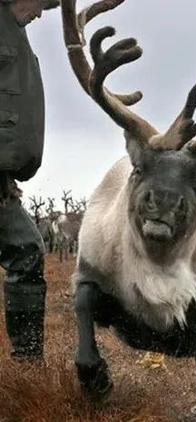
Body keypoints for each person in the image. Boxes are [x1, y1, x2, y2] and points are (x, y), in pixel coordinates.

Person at [0, 0, 59, 360]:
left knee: (26, 250)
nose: (40, 13)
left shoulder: (15, 33)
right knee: (26, 250)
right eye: (41, 3)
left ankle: (27, 366)